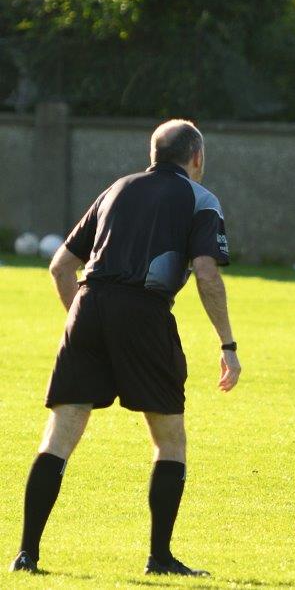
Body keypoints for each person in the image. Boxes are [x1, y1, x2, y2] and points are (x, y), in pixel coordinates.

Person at [10, 120, 240, 577]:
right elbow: (206, 273)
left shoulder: (116, 188)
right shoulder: (201, 199)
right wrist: (227, 344)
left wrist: (85, 323)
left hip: (89, 306)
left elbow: (60, 268)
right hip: (145, 314)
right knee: (169, 437)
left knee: (60, 435)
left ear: (155, 153)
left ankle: (26, 555)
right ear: (196, 157)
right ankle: (160, 558)